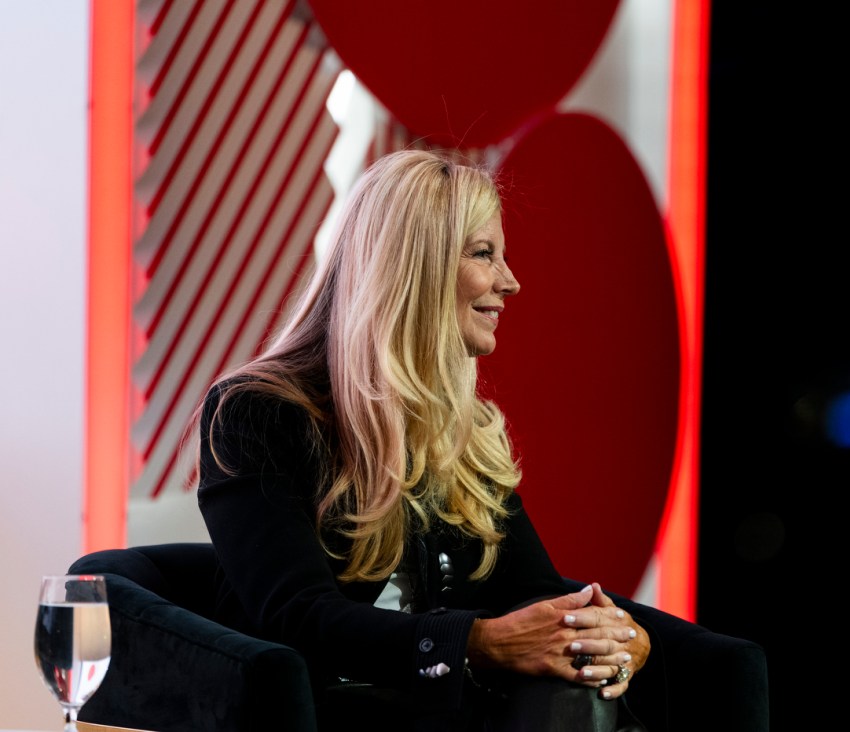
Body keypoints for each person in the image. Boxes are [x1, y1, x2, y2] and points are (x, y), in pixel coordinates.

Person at [191, 148, 652, 731]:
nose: (510, 282)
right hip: (322, 710)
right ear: (417, 268)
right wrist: (478, 642)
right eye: (485, 254)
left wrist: (615, 637)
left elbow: (530, 594)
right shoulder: (256, 412)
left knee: (591, 691)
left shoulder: (466, 427)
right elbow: (297, 617)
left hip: (449, 709)